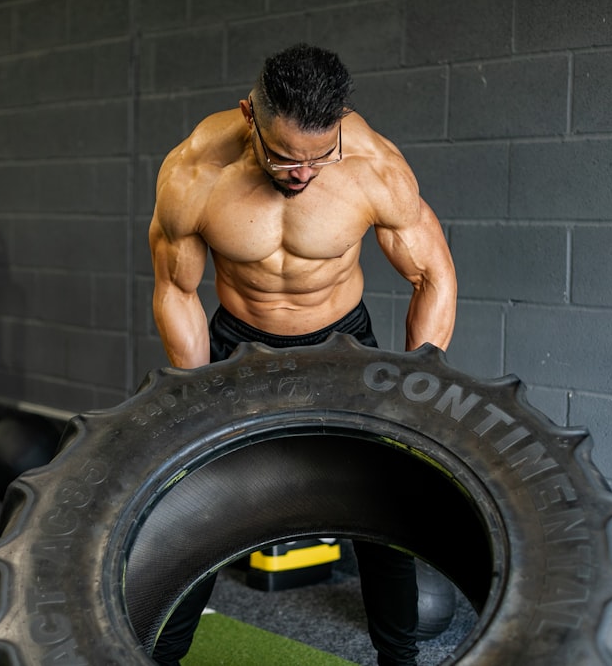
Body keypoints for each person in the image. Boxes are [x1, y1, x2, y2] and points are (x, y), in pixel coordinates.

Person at [148, 43, 457, 666]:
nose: (304, 173)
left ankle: (400, 663)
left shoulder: (372, 166)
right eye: (287, 157)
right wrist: (195, 390)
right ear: (249, 117)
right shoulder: (193, 174)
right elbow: (176, 291)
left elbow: (434, 276)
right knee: (190, 502)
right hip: (239, 342)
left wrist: (415, 380)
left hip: (344, 342)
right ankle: (158, 657)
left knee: (386, 506)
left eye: (321, 156)